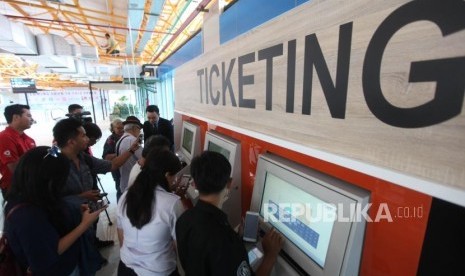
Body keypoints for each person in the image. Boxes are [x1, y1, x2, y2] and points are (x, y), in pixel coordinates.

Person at [176, 151, 283, 276]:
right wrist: (271, 255)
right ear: (229, 184)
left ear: (194, 184)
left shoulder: (184, 220)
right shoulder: (225, 240)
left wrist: (238, 239)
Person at [3, 146, 105, 276]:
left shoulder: (36, 197)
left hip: (69, 263)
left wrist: (74, 211)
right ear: (47, 179)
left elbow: (49, 220)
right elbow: (47, 254)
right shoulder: (25, 214)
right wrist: (84, 225)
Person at [52, 118, 140, 250]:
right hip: (67, 226)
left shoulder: (83, 157)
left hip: (86, 221)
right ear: (71, 141)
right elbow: (48, 201)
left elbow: (113, 165)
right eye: (83, 136)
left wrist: (132, 150)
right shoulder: (51, 163)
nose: (87, 139)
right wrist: (81, 196)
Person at [117, 150, 185, 276]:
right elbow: (179, 245)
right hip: (158, 271)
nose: (175, 180)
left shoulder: (126, 196)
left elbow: (121, 233)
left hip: (126, 268)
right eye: (174, 176)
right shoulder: (173, 203)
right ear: (166, 175)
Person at [0, 104, 36, 197]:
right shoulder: (4, 138)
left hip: (31, 185)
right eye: (28, 116)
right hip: (15, 188)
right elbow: (14, 168)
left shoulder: (29, 140)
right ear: (16, 117)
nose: (31, 119)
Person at [116, 116, 143, 196]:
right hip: (132, 184)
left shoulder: (121, 139)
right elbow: (144, 158)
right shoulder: (132, 140)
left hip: (125, 181)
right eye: (139, 129)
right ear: (135, 128)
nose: (139, 132)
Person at [102, 118, 124, 200]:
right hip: (116, 168)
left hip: (126, 166)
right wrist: (120, 153)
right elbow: (106, 157)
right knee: (120, 188)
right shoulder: (110, 140)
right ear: (113, 129)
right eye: (118, 128)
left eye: (122, 128)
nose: (121, 130)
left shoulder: (126, 136)